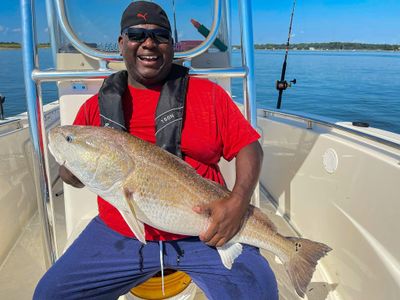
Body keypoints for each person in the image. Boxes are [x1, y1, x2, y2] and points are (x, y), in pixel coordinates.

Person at [34, 1, 278, 299]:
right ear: (122, 43)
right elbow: (74, 174)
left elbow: (249, 145)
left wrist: (238, 202)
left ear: (171, 46)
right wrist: (69, 169)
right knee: (51, 294)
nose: (148, 43)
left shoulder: (209, 95)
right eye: (136, 35)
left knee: (259, 292)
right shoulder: (94, 109)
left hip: (206, 233)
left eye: (160, 36)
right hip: (119, 232)